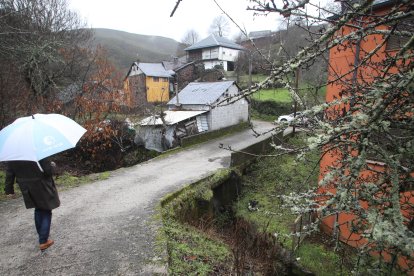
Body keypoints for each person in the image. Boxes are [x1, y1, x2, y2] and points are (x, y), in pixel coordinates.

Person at [4, 159, 60, 251]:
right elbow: (48, 171)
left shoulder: (13, 155)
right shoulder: (37, 150)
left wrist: (9, 189)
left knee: (38, 209)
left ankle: (42, 237)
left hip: (26, 187)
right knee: (47, 210)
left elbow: (10, 172)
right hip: (41, 185)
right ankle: (43, 241)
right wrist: (52, 165)